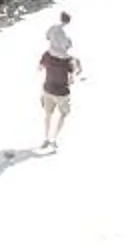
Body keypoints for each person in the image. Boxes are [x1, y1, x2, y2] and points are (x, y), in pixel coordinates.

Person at [38, 9, 82, 153]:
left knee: (47, 115)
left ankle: (45, 138)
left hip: (48, 89)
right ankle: (54, 139)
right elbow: (73, 76)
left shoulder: (46, 55)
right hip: (62, 92)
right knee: (63, 114)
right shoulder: (68, 61)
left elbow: (39, 67)